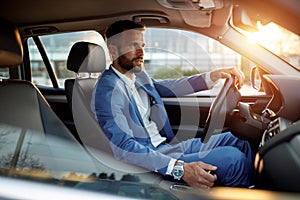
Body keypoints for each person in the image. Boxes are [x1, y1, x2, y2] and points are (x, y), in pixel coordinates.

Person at [92, 19, 254, 190]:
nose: (141, 52)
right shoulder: (107, 91)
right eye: (133, 46)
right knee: (233, 159)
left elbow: (168, 87)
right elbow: (124, 148)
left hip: (167, 147)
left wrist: (212, 76)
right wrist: (179, 169)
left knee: (240, 140)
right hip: (152, 159)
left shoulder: (137, 74)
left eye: (143, 46)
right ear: (113, 51)